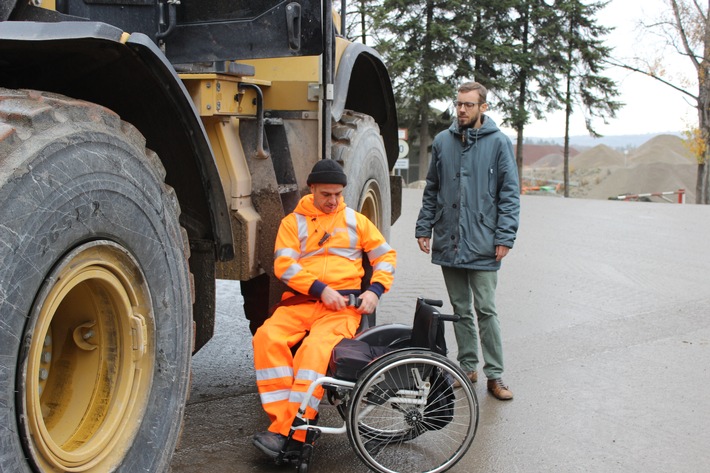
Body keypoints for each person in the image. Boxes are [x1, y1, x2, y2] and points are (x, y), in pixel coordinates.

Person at [252, 159, 397, 457]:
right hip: (301, 302)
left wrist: (375, 290)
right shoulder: (294, 222)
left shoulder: (357, 221)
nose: (333, 201)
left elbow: (385, 257)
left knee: (313, 352)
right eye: (326, 195)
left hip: (342, 308)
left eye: (338, 195)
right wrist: (320, 289)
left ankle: (294, 433)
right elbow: (284, 265)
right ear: (312, 189)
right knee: (267, 339)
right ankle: (284, 424)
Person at [415, 81, 520, 401]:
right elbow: (432, 188)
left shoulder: (500, 143)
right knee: (460, 309)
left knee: (486, 309)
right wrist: (424, 227)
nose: (461, 109)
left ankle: (496, 376)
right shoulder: (443, 142)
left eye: (468, 105)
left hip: (485, 241)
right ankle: (468, 368)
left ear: (482, 108)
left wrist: (505, 236)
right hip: (449, 239)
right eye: (458, 104)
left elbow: (509, 194)